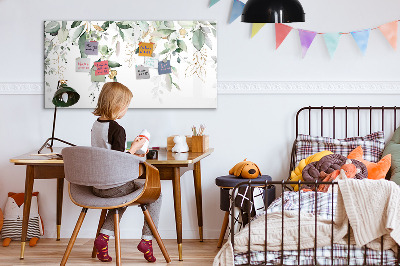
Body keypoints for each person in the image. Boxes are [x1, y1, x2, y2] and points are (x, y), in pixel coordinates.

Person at [91, 82, 161, 263]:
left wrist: (131, 149)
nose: (126, 110)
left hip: (97, 186)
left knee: (121, 197)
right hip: (114, 186)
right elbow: (119, 161)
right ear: (117, 105)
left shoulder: (96, 125)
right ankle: (147, 240)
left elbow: (108, 154)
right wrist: (136, 148)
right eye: (126, 106)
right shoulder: (117, 129)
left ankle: (103, 238)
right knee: (156, 194)